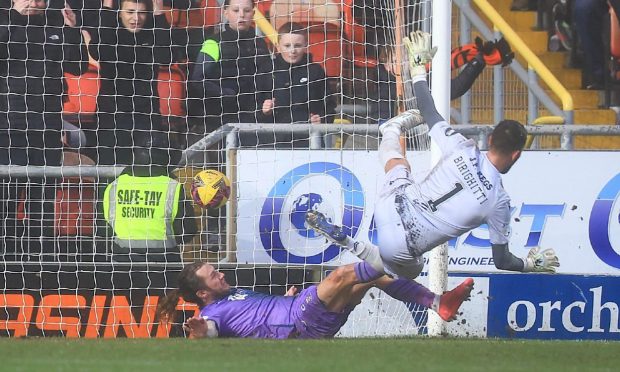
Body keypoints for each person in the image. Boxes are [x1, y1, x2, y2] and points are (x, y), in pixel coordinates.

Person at [306, 31, 560, 280]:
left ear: (490, 139)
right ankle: (351, 244)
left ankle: (391, 129)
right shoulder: (499, 201)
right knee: (405, 270)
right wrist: (529, 264)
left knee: (398, 167)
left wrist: (418, 68)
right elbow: (501, 261)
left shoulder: (462, 146)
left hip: (391, 205)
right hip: (405, 244)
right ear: (517, 155)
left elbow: (428, 108)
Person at [157, 261, 474, 339]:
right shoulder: (214, 312)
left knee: (373, 278)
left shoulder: (234, 293)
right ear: (202, 293)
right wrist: (202, 330)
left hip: (300, 315)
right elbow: (211, 327)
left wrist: (282, 299)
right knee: (342, 274)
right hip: (301, 320)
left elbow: (257, 318)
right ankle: (389, 254)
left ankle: (437, 303)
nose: (221, 275)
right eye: (214, 276)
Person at [0, 0, 88, 256]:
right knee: (7, 198)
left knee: (43, 201)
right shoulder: (6, 21)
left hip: (47, 128)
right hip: (9, 129)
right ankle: (7, 260)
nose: (35, 2)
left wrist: (72, 29)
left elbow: (78, 66)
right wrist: (15, 16)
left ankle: (41, 261)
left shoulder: (54, 23)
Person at [87, 0, 177, 165]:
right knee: (109, 171)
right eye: (130, 12)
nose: (136, 18)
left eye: (141, 12)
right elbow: (98, 50)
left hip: (146, 114)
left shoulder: (153, 33)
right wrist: (107, 7)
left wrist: (159, 13)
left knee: (150, 170)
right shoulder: (111, 34)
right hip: (111, 115)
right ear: (119, 12)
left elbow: (167, 56)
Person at [371, 36, 514, 123]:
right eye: (396, 60)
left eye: (405, 58)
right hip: (386, 136)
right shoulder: (385, 81)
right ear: (385, 63)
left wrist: (477, 62)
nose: (402, 63)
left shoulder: (416, 79)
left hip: (415, 138)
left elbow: (454, 88)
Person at [102, 136, 198, 262]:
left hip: (122, 263)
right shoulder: (172, 187)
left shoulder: (114, 185)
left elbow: (105, 227)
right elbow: (188, 231)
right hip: (163, 264)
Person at [187, 0, 272, 134]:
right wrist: (225, 94)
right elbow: (198, 80)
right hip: (220, 120)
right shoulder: (213, 42)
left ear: (253, 13)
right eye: (236, 10)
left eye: (247, 10)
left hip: (255, 119)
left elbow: (268, 79)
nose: (242, 15)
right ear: (225, 12)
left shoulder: (260, 43)